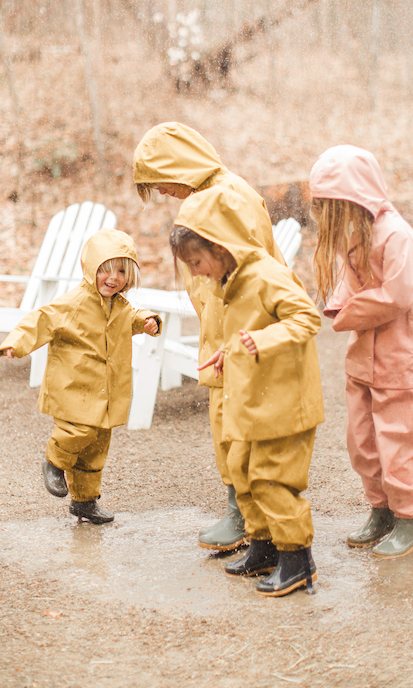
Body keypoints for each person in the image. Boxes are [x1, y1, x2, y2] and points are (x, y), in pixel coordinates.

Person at [134, 121, 290, 552]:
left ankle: (252, 521)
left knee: (242, 428)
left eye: (160, 181)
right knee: (226, 425)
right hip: (221, 331)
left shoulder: (226, 197)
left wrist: (240, 336)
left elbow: (245, 272)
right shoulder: (213, 195)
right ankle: (244, 514)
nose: (162, 192)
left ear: (178, 165)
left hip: (240, 332)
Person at [170, 186, 324, 597]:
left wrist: (264, 342)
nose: (198, 272)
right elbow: (246, 330)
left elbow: (306, 318)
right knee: (242, 469)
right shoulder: (232, 278)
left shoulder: (265, 273)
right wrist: (228, 351)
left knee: (272, 479)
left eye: (198, 261)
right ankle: (264, 546)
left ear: (221, 247)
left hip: (284, 403)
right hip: (256, 399)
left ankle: (298, 560)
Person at [310, 145, 413, 559]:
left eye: (334, 206)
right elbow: (352, 280)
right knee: (362, 441)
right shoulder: (357, 234)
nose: (330, 218)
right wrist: (338, 301)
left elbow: (395, 296)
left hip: (401, 361)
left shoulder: (400, 238)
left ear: (356, 197)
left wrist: (348, 312)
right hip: (363, 358)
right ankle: (381, 510)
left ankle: (410, 519)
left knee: (397, 442)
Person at [0, 229, 161, 524]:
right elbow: (41, 320)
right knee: (79, 431)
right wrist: (15, 343)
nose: (113, 278)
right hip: (75, 386)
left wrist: (147, 320)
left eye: (122, 271)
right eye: (105, 270)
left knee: (96, 447)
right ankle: (53, 459)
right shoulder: (73, 303)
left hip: (105, 391)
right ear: (91, 269)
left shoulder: (120, 305)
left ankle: (84, 501)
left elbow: (131, 317)